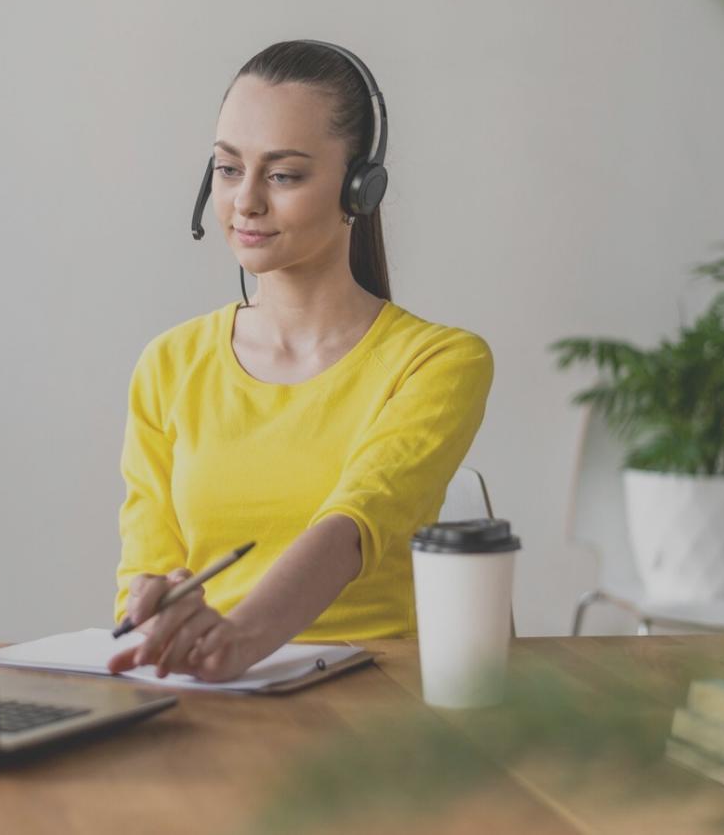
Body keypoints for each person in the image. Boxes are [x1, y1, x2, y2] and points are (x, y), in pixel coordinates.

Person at [107, 40, 494, 683]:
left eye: (283, 175)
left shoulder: (438, 362)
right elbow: (144, 567)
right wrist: (157, 615)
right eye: (228, 170)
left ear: (359, 188)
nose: (246, 202)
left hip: (369, 699)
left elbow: (353, 524)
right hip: (208, 692)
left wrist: (240, 638)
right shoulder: (169, 364)